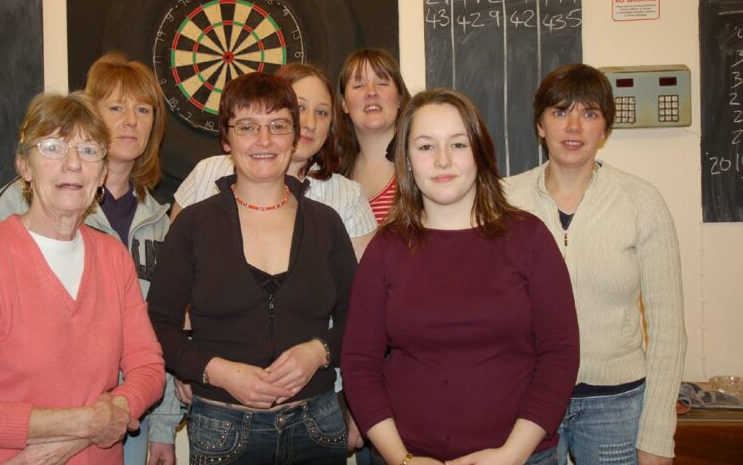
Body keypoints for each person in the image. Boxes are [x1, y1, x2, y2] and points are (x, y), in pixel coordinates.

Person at [0, 52, 182, 465]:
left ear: (100, 169)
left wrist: (112, 416)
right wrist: (85, 423)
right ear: (25, 166)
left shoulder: (121, 251)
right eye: (53, 147)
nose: (72, 163)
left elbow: (148, 362)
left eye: (89, 150)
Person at [341, 89, 580, 465]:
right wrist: (400, 459)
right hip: (408, 456)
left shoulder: (529, 238)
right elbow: (359, 362)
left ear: (480, 152)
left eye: (457, 144)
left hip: (521, 458)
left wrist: (511, 455)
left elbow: (560, 355)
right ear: (406, 160)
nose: (442, 161)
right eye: (424, 147)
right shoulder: (386, 248)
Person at [148, 71, 356, 464]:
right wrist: (217, 371)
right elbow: (159, 326)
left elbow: (360, 317)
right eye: (248, 127)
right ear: (226, 139)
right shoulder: (192, 225)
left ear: (295, 137)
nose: (264, 140)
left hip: (318, 427)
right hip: (222, 431)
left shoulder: (326, 223)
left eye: (278, 125)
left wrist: (319, 351)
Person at [503, 64, 686, 465]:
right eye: (559, 112)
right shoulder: (505, 203)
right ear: (539, 124)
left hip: (616, 407)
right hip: (525, 403)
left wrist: (657, 437)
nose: (573, 126)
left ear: (604, 129)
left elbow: (669, 328)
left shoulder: (641, 201)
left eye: (589, 114)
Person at [171, 62, 377, 260]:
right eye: (300, 108)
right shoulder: (207, 173)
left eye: (322, 113)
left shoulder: (349, 198)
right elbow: (174, 267)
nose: (310, 123)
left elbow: (362, 289)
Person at [335, 48, 411, 224]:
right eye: (358, 85)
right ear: (344, 104)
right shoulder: (335, 178)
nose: (371, 92)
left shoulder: (419, 167)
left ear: (399, 98)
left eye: (382, 83)